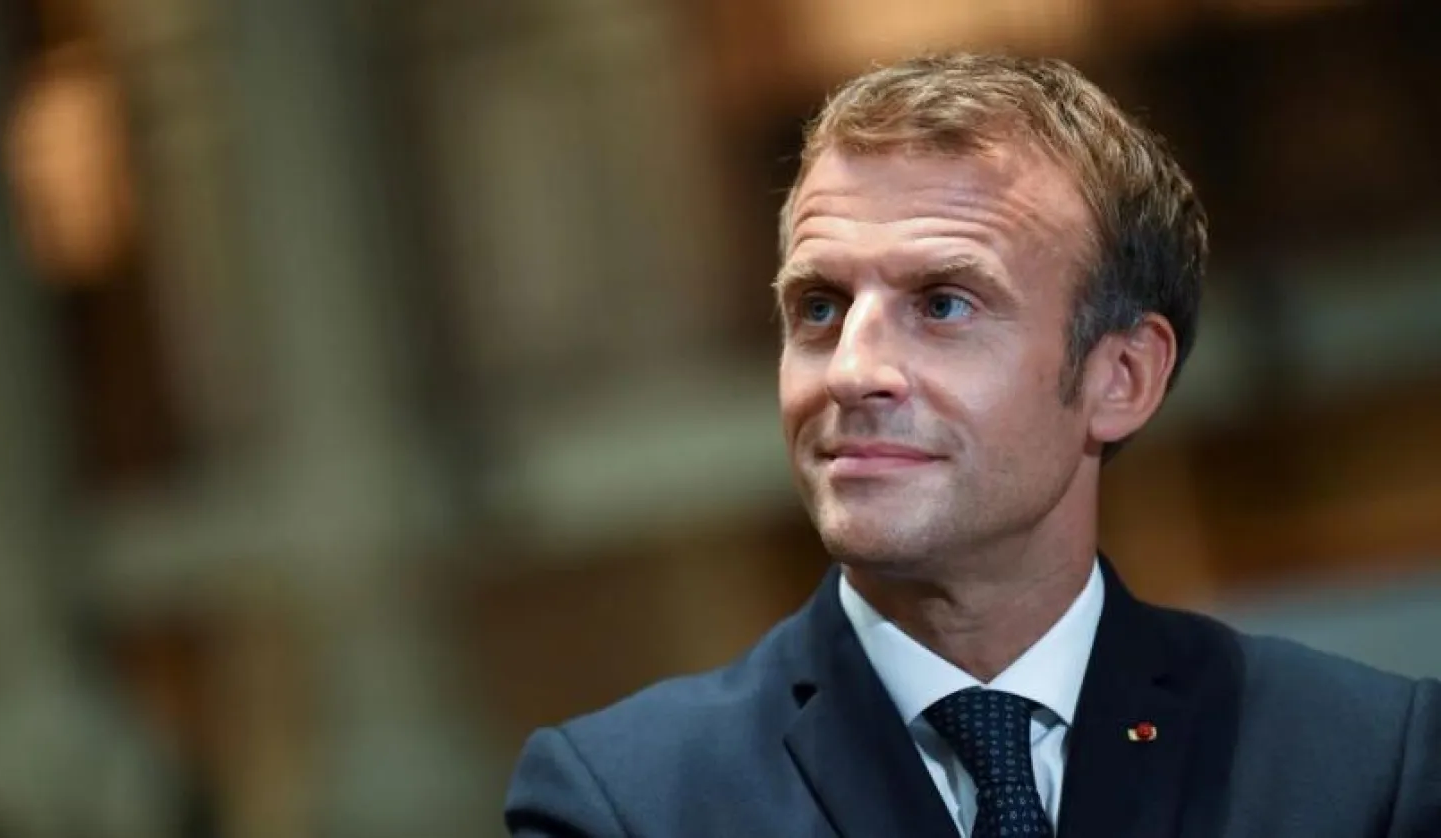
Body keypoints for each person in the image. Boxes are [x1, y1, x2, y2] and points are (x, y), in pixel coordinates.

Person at [502, 53, 1441, 838]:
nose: (851, 370)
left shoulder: (1364, 766)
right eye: (820, 308)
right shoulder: (624, 805)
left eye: (944, 304)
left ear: (1121, 378)